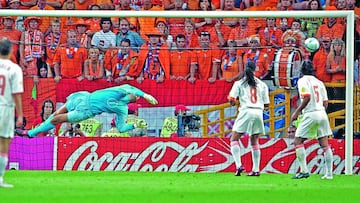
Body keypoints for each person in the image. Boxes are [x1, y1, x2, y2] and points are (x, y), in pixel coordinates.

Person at [15, 84, 158, 138]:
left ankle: (30, 133)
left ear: (135, 99)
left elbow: (121, 129)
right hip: (83, 97)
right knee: (56, 113)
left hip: (86, 111)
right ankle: (32, 133)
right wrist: (146, 95)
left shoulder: (122, 109)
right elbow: (130, 87)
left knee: (56, 120)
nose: (133, 95)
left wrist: (134, 125)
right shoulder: (119, 91)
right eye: (135, 94)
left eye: (137, 96)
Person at [290, 60, 333, 180]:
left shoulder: (302, 81)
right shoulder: (319, 82)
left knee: (298, 141)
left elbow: (307, 97)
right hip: (322, 113)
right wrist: (320, 112)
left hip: (311, 113)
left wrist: (297, 111)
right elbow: (325, 102)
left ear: (302, 70)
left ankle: (304, 170)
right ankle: (329, 174)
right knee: (324, 144)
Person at [228, 61, 270, 177]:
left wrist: (233, 102)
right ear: (255, 69)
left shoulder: (239, 83)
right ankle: (256, 170)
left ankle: (238, 165)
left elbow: (232, 99)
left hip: (246, 110)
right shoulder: (262, 84)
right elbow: (267, 104)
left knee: (234, 138)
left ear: (245, 69)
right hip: (258, 112)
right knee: (254, 140)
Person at [0, 38, 24, 188]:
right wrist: (20, 114)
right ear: (10, 51)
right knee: (3, 144)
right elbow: (16, 93)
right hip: (5, 108)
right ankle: (0, 178)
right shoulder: (14, 69)